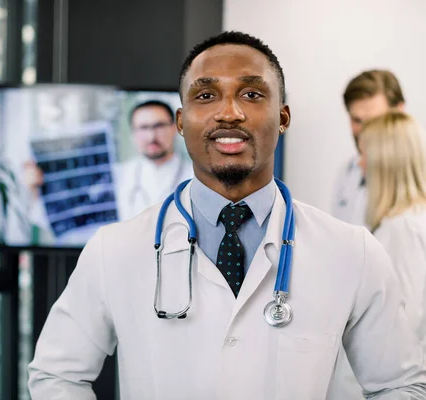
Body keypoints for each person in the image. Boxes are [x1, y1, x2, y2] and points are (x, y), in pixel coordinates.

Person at [28, 31, 426, 399]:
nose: (229, 112)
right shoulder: (113, 250)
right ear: (181, 122)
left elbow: (401, 385)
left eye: (252, 94)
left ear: (283, 118)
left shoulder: (351, 252)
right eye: (206, 96)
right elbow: (56, 375)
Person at [359, 111, 426, 346]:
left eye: (364, 154)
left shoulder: (402, 229)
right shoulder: (414, 218)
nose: (360, 163)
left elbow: (405, 320)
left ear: (383, 162)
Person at [332, 70, 405, 226]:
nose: (365, 132)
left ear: (399, 112)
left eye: (375, 121)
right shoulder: (348, 172)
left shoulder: (417, 177)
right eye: (357, 120)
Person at [115, 100, 193, 220]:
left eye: (159, 126)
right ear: (133, 133)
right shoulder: (119, 177)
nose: (151, 136)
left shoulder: (196, 176)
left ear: (175, 128)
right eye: (143, 127)